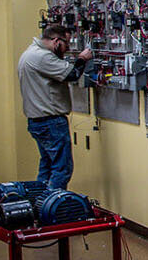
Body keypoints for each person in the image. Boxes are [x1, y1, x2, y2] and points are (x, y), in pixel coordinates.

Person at [17, 25, 93, 190]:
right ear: (56, 41)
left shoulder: (29, 53)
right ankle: (53, 209)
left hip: (37, 121)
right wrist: (82, 58)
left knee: (47, 167)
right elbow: (72, 74)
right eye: (66, 44)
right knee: (62, 169)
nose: (67, 49)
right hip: (50, 122)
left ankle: (40, 203)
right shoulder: (42, 57)